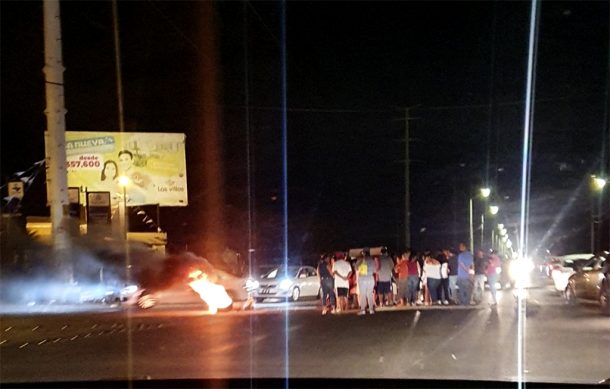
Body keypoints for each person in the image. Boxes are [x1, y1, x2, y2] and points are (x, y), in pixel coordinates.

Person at [356, 247, 376, 315]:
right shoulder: (372, 260)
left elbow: (356, 267)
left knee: (363, 294)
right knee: (370, 294)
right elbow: (375, 270)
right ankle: (371, 309)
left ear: (363, 253)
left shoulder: (361, 259)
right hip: (370, 278)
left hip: (363, 278)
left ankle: (363, 310)